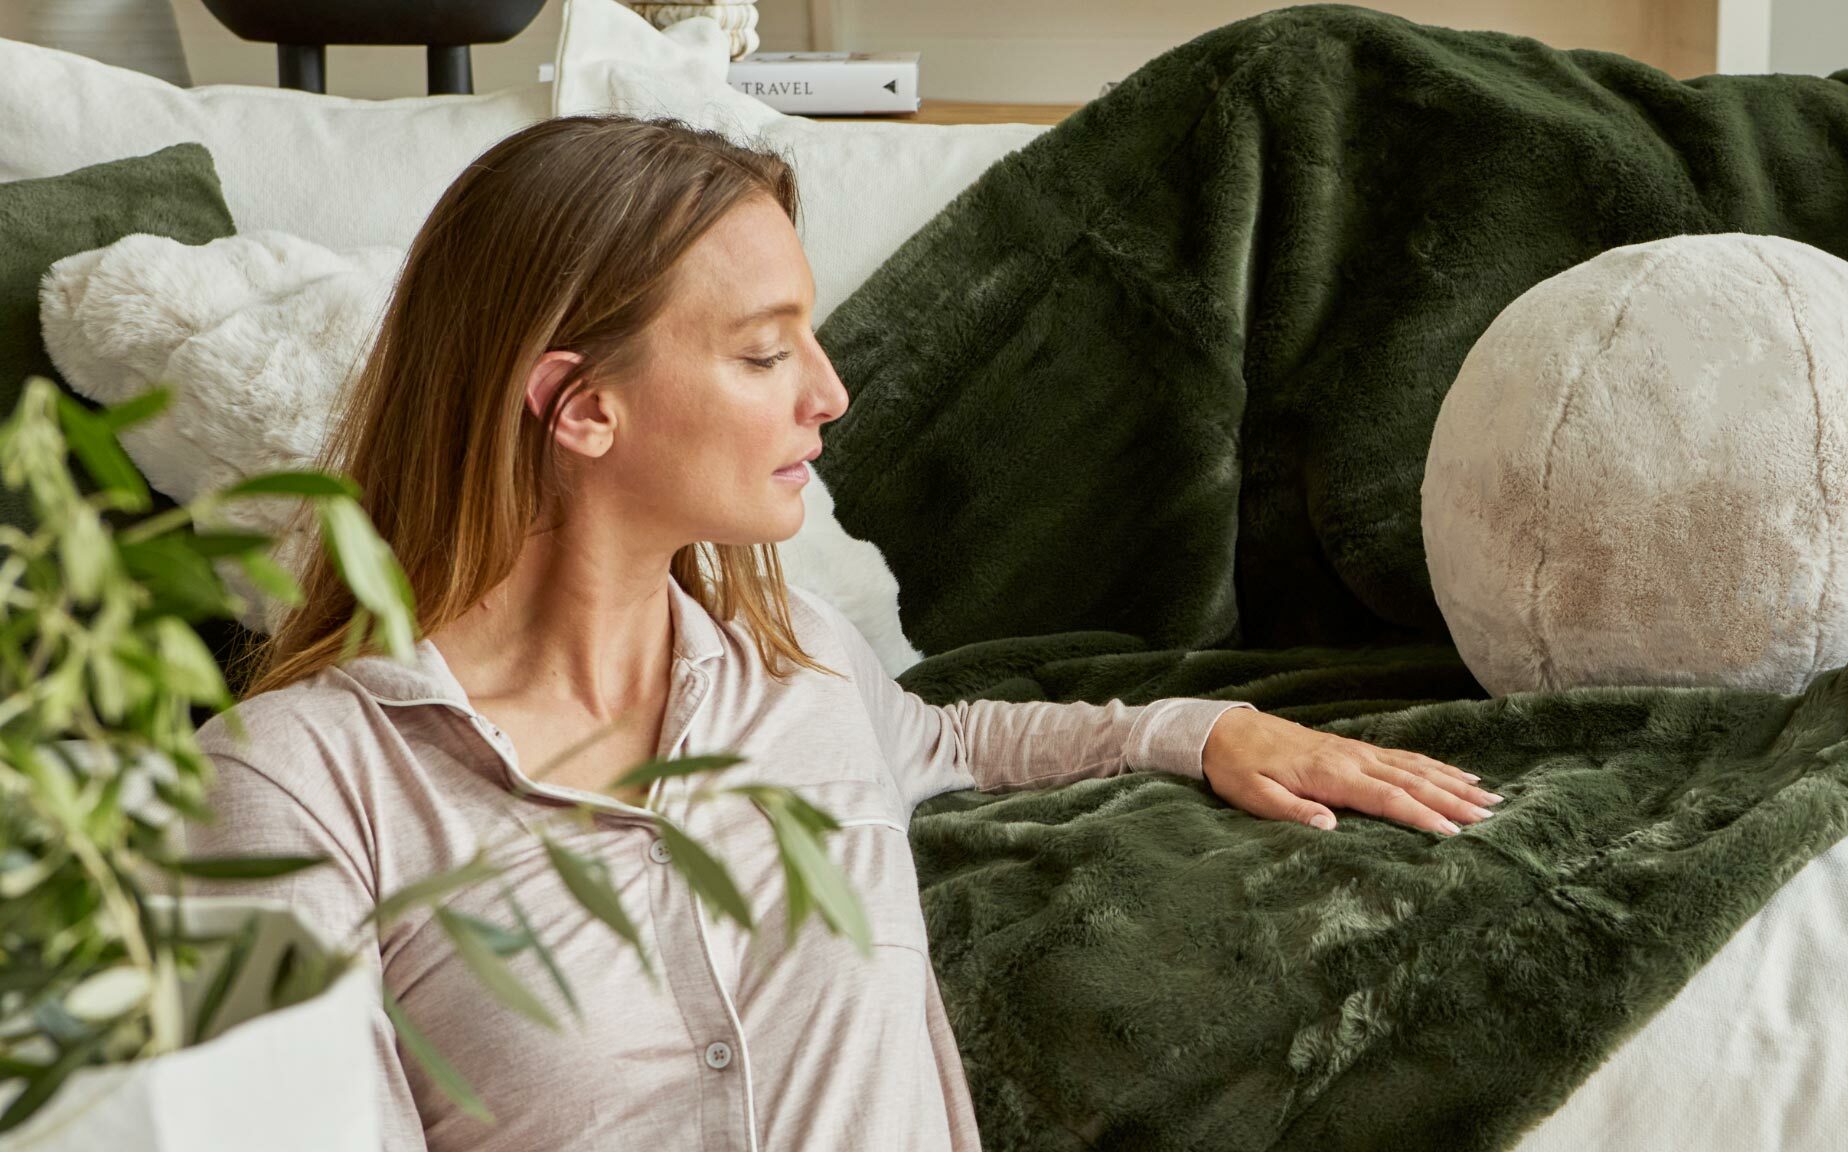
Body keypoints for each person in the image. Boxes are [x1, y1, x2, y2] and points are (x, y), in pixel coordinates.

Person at [185, 114, 1506, 1152]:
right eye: (765, 354)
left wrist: (1203, 729)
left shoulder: (798, 668)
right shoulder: (294, 788)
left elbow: (957, 738)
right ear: (579, 409)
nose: (829, 393)